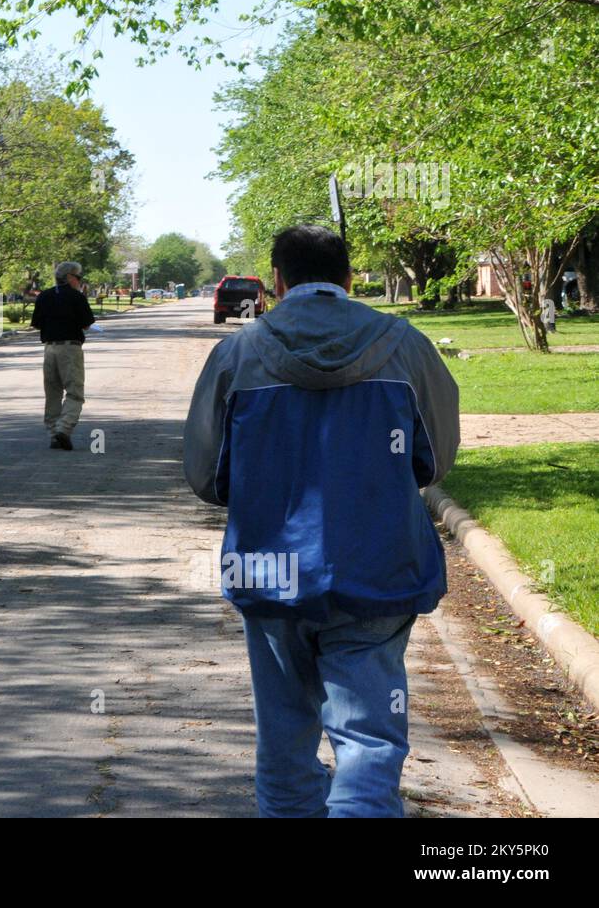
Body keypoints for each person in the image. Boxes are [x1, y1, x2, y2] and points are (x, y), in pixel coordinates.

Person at [183, 225, 459, 818]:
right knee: (369, 741)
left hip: (270, 568)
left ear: (277, 282)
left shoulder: (238, 353)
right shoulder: (406, 346)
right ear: (349, 279)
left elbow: (207, 477)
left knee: (284, 739)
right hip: (379, 566)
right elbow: (434, 460)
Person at [30, 260, 96, 450]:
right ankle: (63, 428)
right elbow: (86, 324)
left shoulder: (44, 296)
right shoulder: (77, 297)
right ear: (69, 277)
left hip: (49, 349)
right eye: (78, 277)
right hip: (70, 349)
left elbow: (36, 324)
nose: (80, 280)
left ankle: (53, 434)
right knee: (75, 392)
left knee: (52, 393)